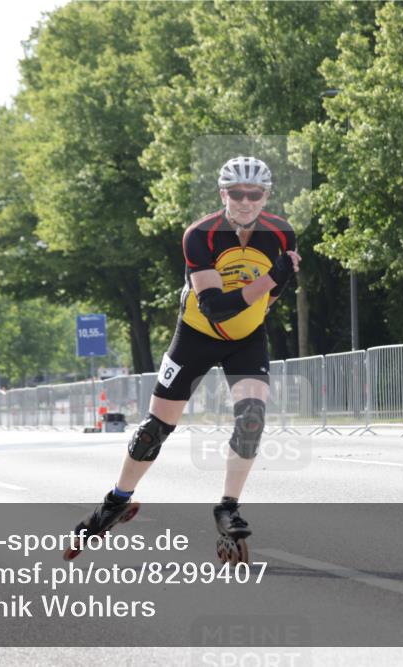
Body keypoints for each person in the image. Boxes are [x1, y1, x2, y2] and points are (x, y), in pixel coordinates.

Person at [66, 156, 300, 562]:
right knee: (153, 431)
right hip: (196, 334)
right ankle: (116, 501)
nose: (246, 201)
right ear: (223, 194)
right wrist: (269, 280)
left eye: (255, 194)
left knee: (252, 419)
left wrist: (262, 303)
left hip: (246, 338)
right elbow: (214, 306)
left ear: (267, 195)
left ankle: (228, 508)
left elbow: (273, 296)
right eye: (237, 193)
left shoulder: (282, 234)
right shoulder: (200, 235)